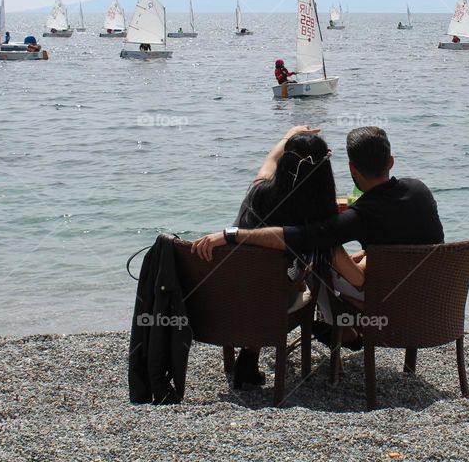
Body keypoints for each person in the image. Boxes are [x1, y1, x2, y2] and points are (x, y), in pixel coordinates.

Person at [187, 126, 444, 347]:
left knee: (320, 256)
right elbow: (401, 239)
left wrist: (233, 235)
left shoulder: (361, 215)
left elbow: (298, 236)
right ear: (391, 161)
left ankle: (341, 329)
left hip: (384, 304)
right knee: (326, 252)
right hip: (430, 300)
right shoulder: (420, 190)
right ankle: (342, 329)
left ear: (352, 169)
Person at [205, 126, 337, 388]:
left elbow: (269, 162)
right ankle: (336, 329)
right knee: (306, 269)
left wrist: (290, 135)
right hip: (275, 301)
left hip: (232, 293)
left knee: (272, 272)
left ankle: (251, 353)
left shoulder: (258, 192)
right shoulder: (320, 218)